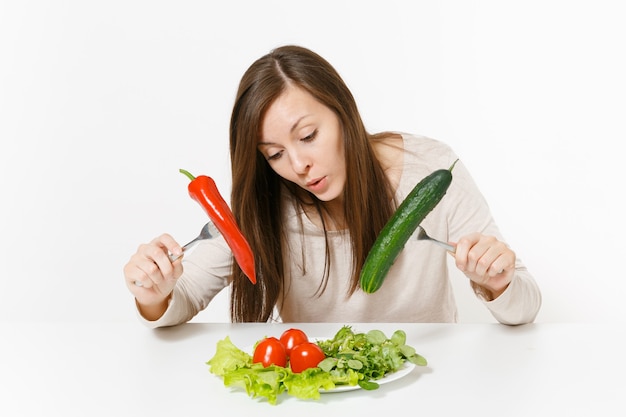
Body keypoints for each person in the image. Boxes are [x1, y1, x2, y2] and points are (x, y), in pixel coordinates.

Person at [124, 45, 541, 327]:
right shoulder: (266, 202)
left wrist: (496, 281)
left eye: (307, 136)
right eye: (274, 154)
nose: (299, 165)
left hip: (425, 388)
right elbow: (182, 299)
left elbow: (525, 305)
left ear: (343, 111)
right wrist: (153, 292)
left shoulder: (428, 168)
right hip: (316, 393)